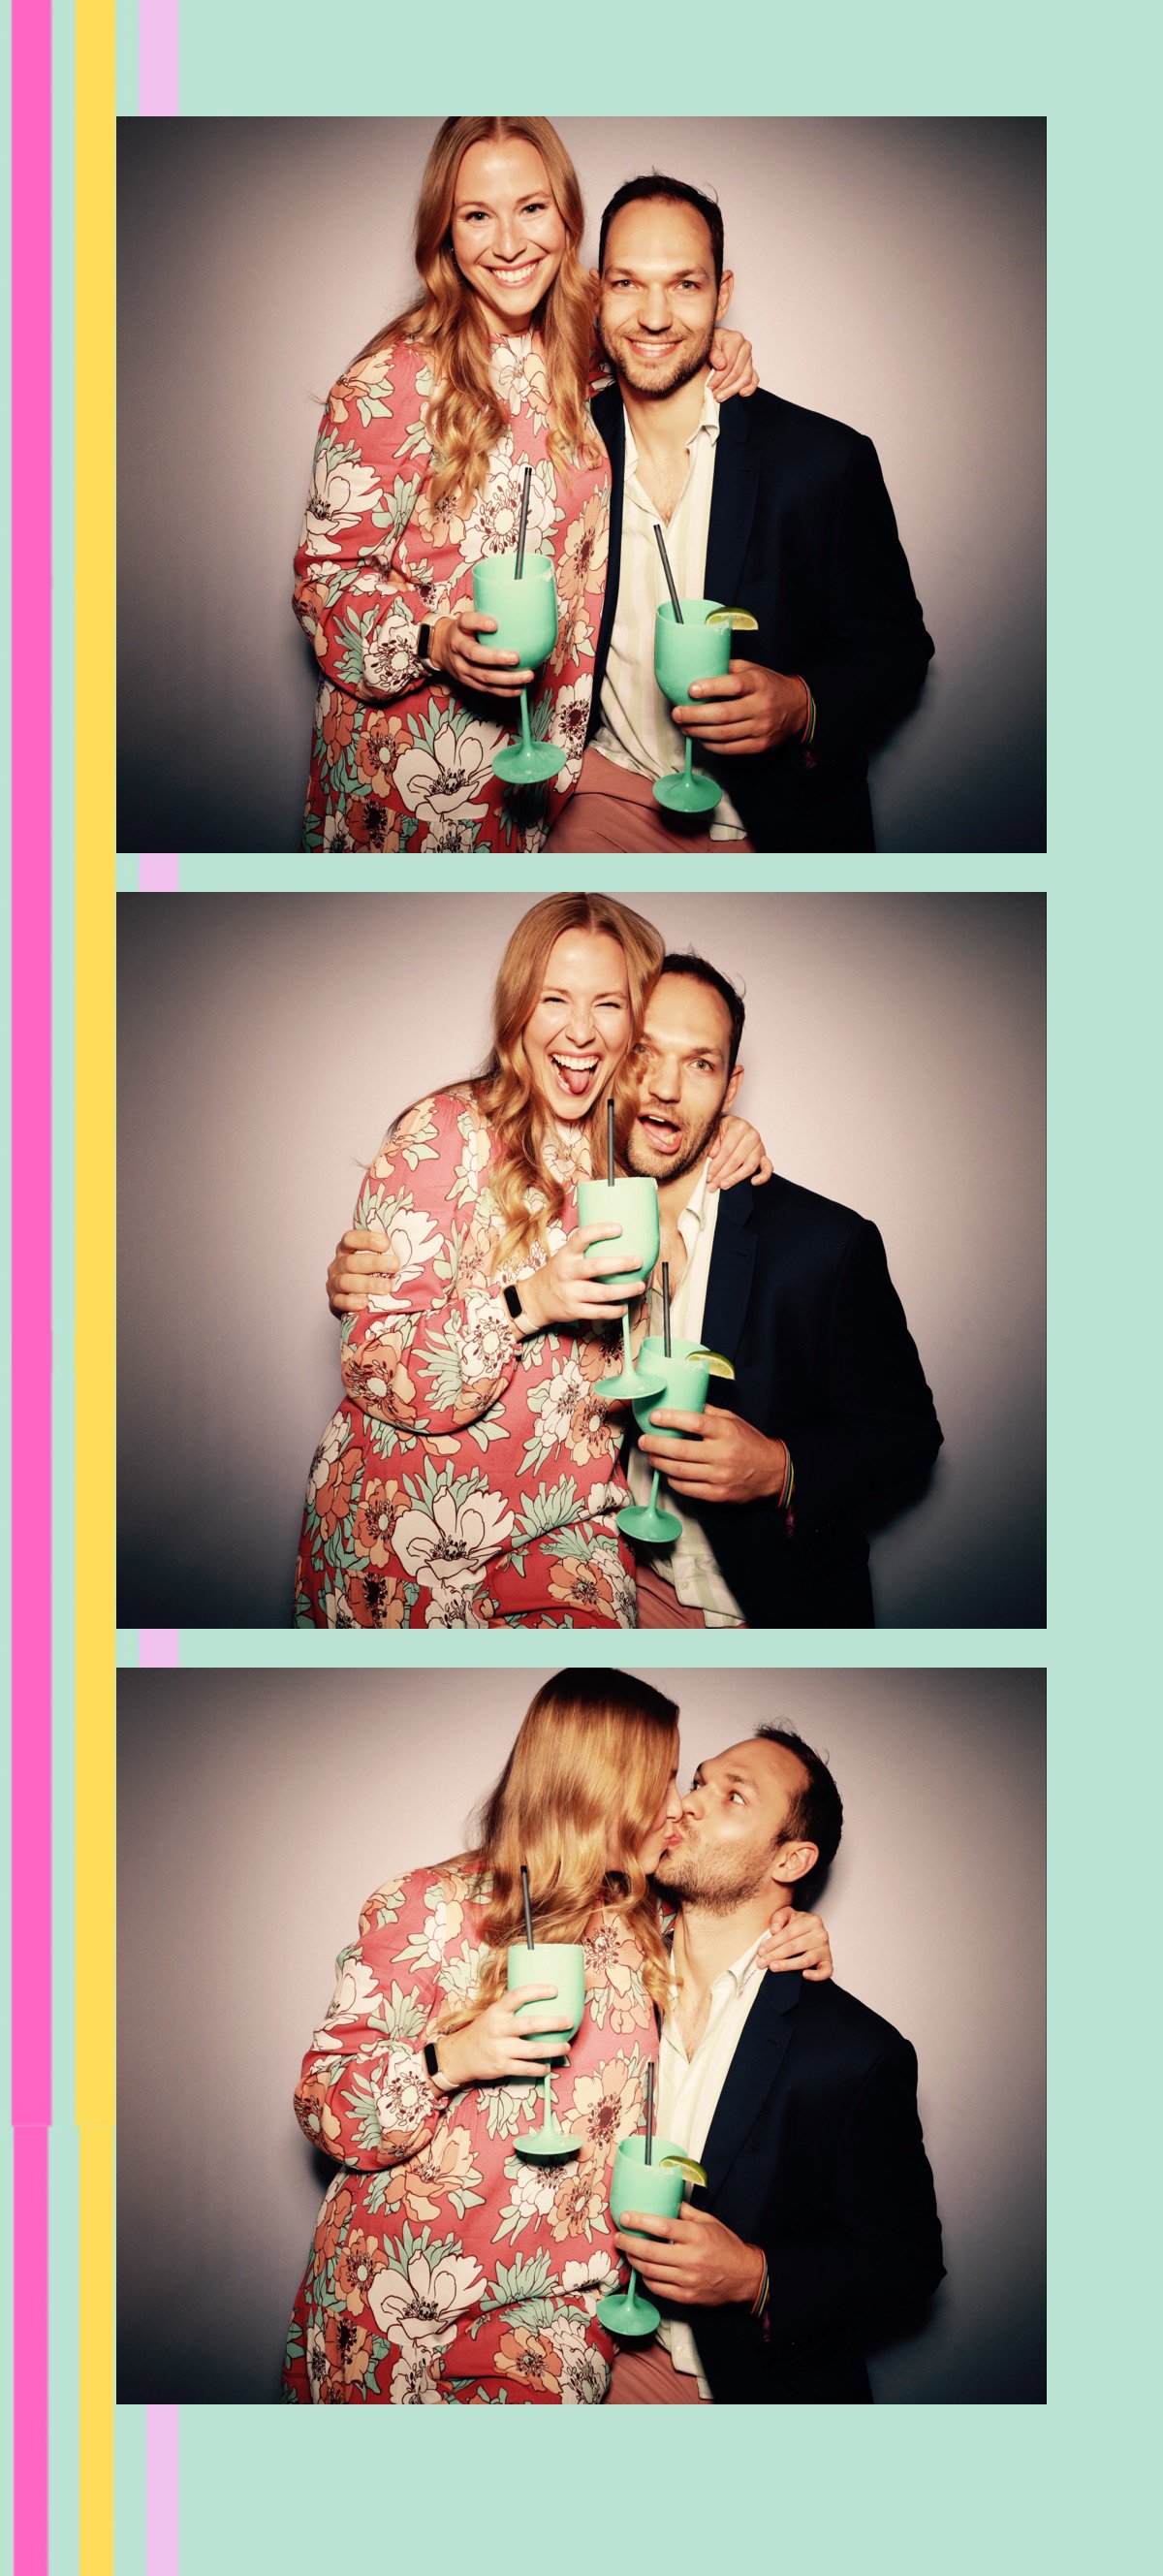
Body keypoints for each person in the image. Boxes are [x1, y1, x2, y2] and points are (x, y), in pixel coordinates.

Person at [282, 1676, 833, 2406]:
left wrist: (800, 1928)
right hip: (389, 2302)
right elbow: (326, 2111)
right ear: (599, 1782)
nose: (678, 1807)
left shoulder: (645, 1923)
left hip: (552, 2319)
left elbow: (735, 1926)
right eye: (666, 1778)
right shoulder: (426, 1909)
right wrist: (451, 2059)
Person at [294, 899, 772, 1630]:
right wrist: (528, 1301)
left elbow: (691, 1115)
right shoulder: (446, 1132)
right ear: (519, 1008)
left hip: (567, 1529)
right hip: (403, 1533)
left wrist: (732, 1136)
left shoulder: (638, 1155)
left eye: (608, 1004)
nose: (581, 1031)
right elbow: (372, 1364)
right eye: (555, 998)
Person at [292, 122, 755, 855]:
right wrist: (432, 640)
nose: (509, 242)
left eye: (532, 208)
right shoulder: (390, 382)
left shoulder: (590, 358)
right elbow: (323, 586)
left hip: (554, 779)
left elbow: (661, 341)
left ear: (567, 217)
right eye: (478, 215)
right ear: (446, 233)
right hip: (411, 778)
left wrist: (718, 344)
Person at [548, 173, 932, 857]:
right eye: (628, 283)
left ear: (722, 293)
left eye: (685, 285)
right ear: (596, 291)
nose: (656, 316)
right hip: (609, 797)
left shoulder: (827, 463)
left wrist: (802, 704)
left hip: (771, 825)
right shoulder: (559, 446)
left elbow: (898, 652)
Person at [610, 1726, 944, 2404]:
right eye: (698, 1782)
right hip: (579, 2366)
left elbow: (907, 2263)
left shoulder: (858, 2053)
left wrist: (758, 2276)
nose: (689, 1803)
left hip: (742, 2388)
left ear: (791, 1860)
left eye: (732, 1795)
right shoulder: (607, 1980)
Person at [617, 949, 941, 1627]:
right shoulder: (550, 1215)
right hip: (598, 1593)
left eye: (699, 1063)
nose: (666, 1088)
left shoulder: (826, 1245)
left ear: (730, 1087)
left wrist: (780, 1467)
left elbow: (909, 1437)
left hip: (759, 1612)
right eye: (645, 1054)